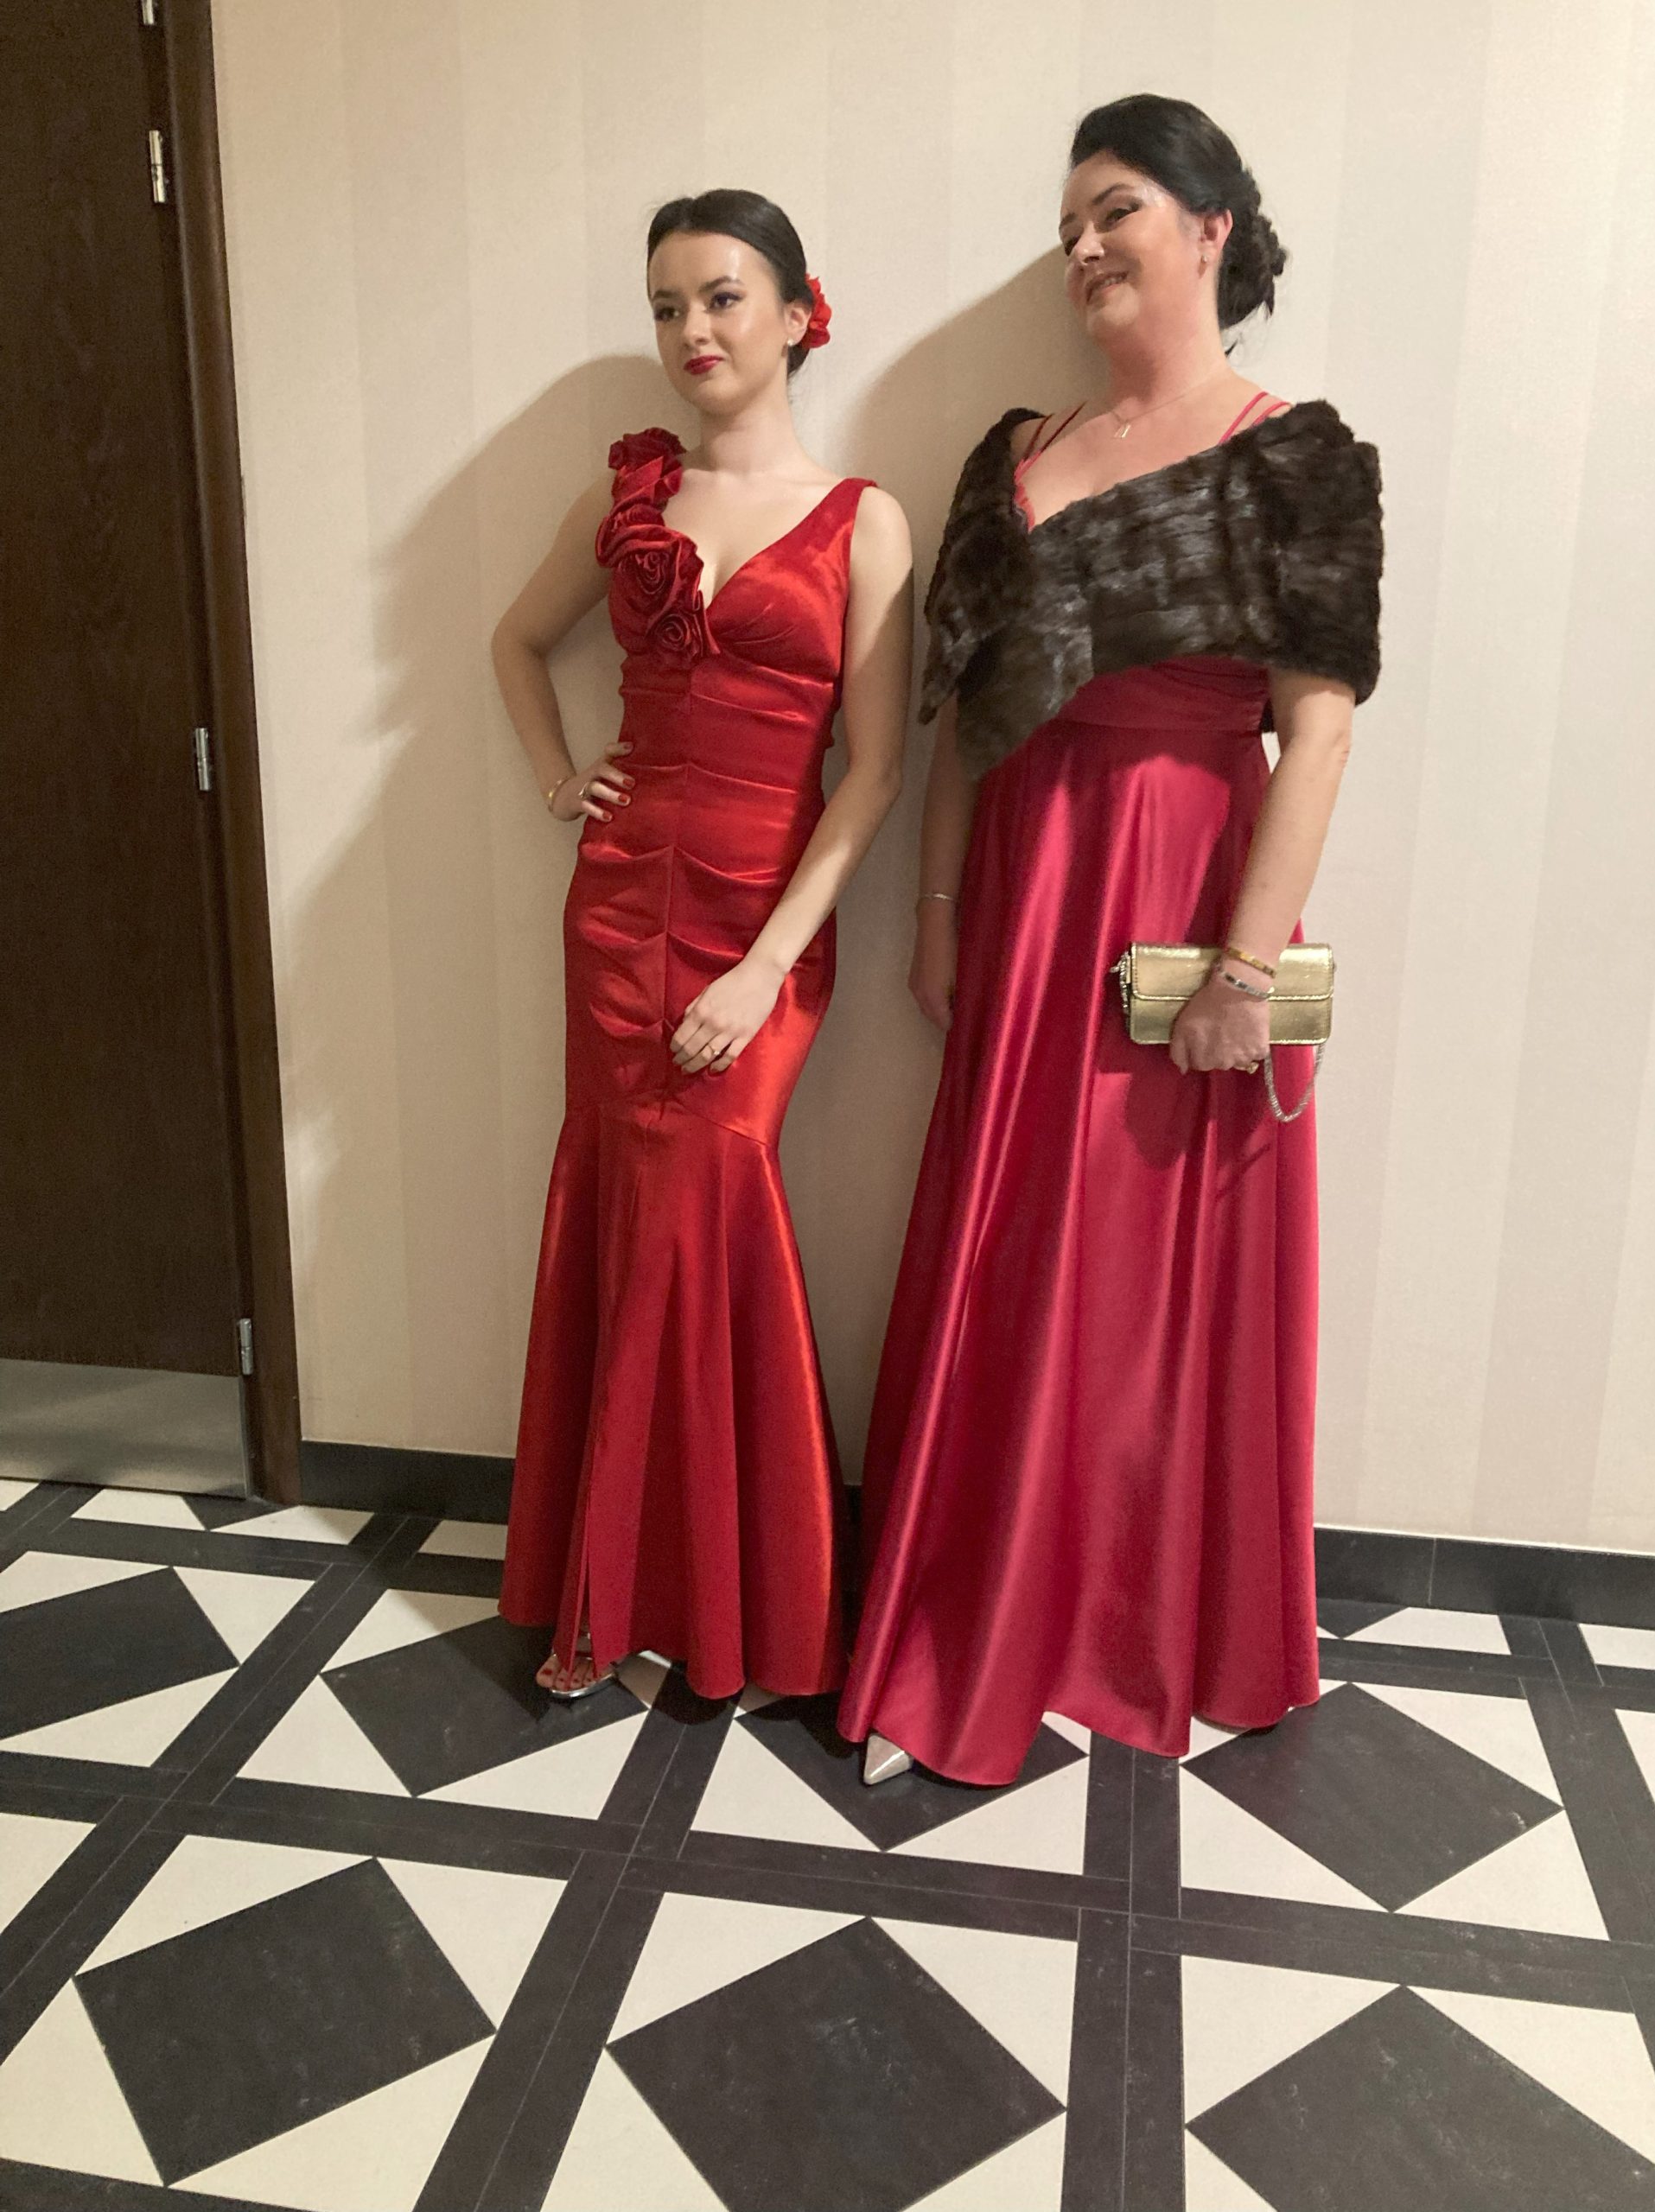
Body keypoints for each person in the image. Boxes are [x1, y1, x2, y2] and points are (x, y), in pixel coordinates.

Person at [841, 97, 1383, 1787]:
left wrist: (1244, 971)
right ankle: (982, 1610)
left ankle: (1143, 1620)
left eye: (1119, 207)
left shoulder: (1301, 458)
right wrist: (938, 911)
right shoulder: (1011, 453)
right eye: (1069, 218)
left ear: (1212, 228)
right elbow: (961, 717)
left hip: (1192, 886)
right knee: (1016, 1249)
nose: (1082, 244)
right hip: (1030, 885)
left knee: (1155, 1277)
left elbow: (1320, 732)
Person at [493, 190, 913, 1700]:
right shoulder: (627, 505)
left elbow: (875, 774)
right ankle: (607, 1594)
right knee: (624, 1218)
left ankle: (748, 1600)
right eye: (667, 306)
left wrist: (765, 966)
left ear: (799, 312)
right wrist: (561, 778)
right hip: (616, 912)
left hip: (763, 925)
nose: (692, 331)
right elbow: (512, 642)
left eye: (722, 297)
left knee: (711, 1205)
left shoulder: (866, 520)